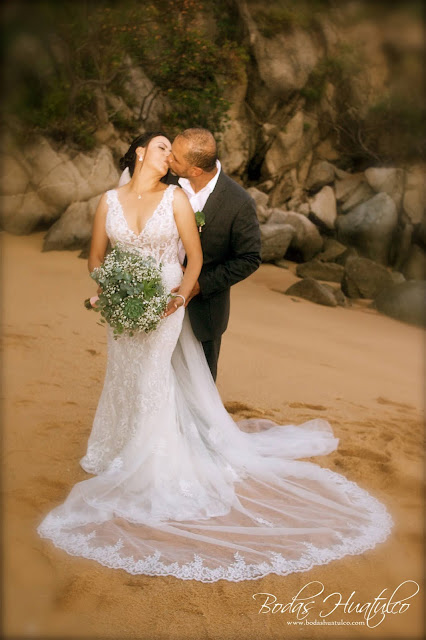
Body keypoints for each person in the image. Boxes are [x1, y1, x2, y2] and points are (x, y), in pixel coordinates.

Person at [37, 132, 392, 583]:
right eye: (163, 146)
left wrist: (181, 296)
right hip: (126, 304)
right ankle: (121, 445)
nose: (169, 156)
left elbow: (217, 259)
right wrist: (114, 289)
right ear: (142, 153)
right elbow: (96, 259)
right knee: (125, 374)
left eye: (175, 151)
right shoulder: (113, 199)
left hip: (175, 301)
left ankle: (158, 460)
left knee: (158, 376)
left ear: (192, 164)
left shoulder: (194, 199)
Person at [166, 128, 262, 381]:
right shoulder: (164, 183)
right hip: (158, 295)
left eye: (175, 157)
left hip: (204, 311)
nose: (168, 160)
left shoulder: (239, 202)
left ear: (196, 170)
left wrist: (200, 284)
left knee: (200, 385)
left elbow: (250, 258)